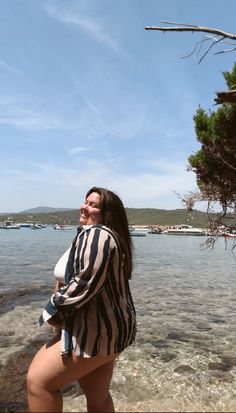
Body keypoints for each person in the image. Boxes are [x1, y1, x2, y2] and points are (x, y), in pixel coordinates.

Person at [27, 187, 136, 412]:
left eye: (93, 205)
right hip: (109, 330)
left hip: (93, 331)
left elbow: (84, 283)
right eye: (85, 201)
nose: (84, 207)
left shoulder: (98, 235)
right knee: (98, 397)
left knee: (39, 383)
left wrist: (52, 311)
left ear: (107, 213)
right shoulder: (100, 235)